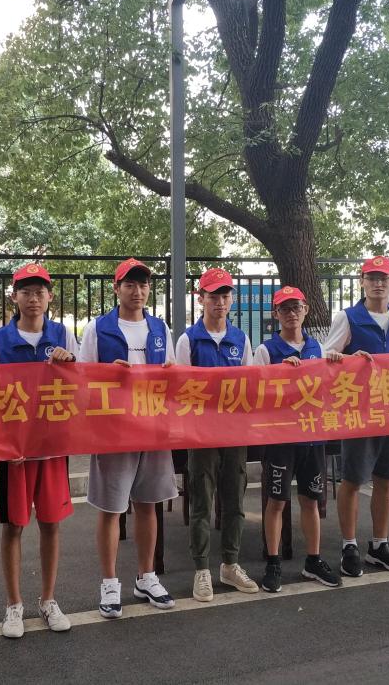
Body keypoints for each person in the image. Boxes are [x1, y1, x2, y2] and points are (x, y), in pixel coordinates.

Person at [78, 258, 178, 618]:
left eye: (143, 284)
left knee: (148, 505)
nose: (137, 291)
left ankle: (146, 576)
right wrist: (107, 373)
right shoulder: (98, 328)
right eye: (130, 284)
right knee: (111, 508)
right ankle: (109, 582)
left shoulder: (159, 328)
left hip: (152, 429)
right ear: (116, 288)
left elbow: (171, 376)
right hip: (114, 431)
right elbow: (82, 377)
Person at [0, 263, 76, 638]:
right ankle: (14, 605)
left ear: (50, 296)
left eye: (39, 291)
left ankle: (48, 600)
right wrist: (3, 443)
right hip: (15, 453)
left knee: (51, 524)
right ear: (14, 296)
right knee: (14, 526)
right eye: (26, 291)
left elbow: (81, 387)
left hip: (52, 449)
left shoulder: (63, 336)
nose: (33, 298)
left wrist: (69, 365)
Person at [322, 256, 389, 577]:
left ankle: (379, 545)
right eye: (372, 278)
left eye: (383, 278)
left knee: (385, 478)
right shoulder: (348, 318)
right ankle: (349, 545)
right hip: (357, 411)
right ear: (362, 282)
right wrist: (346, 359)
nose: (378, 283)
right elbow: (326, 357)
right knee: (352, 479)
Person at [176, 268, 259, 601]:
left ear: (231, 299)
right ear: (201, 299)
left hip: (234, 433)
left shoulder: (241, 339)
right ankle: (201, 570)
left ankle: (230, 564)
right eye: (213, 296)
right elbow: (179, 390)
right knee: (201, 502)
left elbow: (251, 385)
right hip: (201, 435)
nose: (220, 302)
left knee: (235, 500)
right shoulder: (188, 340)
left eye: (225, 296)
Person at [254, 285, 344, 592]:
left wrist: (349, 361)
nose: (291, 313)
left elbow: (333, 381)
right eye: (284, 308)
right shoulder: (266, 351)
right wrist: (279, 374)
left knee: (311, 500)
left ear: (306, 310)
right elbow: (254, 392)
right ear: (276, 314)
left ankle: (313, 560)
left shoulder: (318, 349)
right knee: (276, 502)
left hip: (312, 437)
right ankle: (273, 562)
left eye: (296, 307)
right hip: (280, 439)